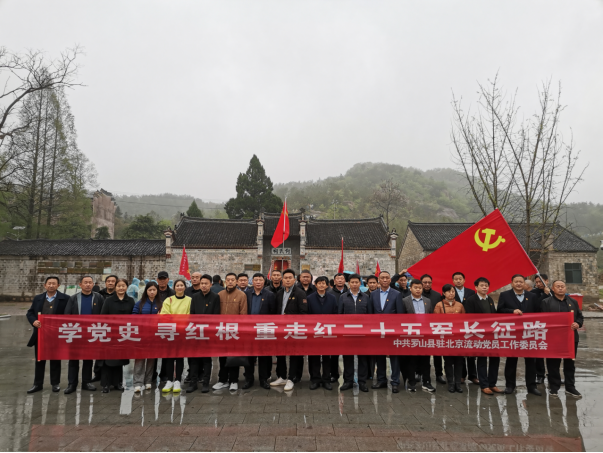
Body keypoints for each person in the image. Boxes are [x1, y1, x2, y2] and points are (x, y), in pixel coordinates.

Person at [497, 274, 540, 396]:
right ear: (512, 283)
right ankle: (510, 385)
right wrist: (511, 311)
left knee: (531, 361)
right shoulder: (504, 295)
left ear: (524, 283)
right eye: (516, 282)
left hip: (528, 332)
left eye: (521, 281)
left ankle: (531, 386)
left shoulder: (532, 296)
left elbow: (538, 312)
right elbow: (499, 311)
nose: (519, 284)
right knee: (511, 360)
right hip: (512, 333)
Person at [26, 276, 70, 394]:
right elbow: (30, 313)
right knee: (40, 360)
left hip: (56, 335)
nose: (51, 285)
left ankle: (55, 383)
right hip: (40, 334)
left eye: (54, 283)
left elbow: (69, 315)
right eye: (49, 283)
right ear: (45, 285)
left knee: (55, 360)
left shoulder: (65, 298)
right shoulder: (38, 298)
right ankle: (38, 384)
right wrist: (33, 321)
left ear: (58, 285)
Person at [541, 280, 583, 398]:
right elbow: (543, 318)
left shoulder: (573, 302)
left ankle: (570, 387)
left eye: (562, 286)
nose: (560, 288)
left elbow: (580, 316)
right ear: (553, 289)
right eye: (558, 286)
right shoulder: (546, 302)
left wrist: (577, 323)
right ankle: (554, 387)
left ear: (565, 288)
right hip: (554, 338)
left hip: (571, 338)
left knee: (570, 363)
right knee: (553, 364)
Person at [64, 276, 104, 394]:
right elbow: (67, 315)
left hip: (91, 333)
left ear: (93, 284)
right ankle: (72, 384)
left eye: (90, 282)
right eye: (85, 282)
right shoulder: (73, 298)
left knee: (88, 359)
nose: (88, 285)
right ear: (80, 284)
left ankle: (86, 382)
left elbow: (104, 315)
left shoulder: (98, 297)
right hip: (76, 333)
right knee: (73, 360)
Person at [464, 277, 502, 395]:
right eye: (482, 285)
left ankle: (492, 383)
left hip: (491, 334)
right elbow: (470, 318)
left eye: (486, 285)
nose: (484, 287)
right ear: (476, 287)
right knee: (482, 360)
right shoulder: (471, 300)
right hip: (479, 334)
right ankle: (484, 385)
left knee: (495, 358)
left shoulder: (489, 299)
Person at [271, 269, 308, 391]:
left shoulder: (300, 293)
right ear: (282, 280)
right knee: (280, 353)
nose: (287, 280)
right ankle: (282, 376)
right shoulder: (279, 293)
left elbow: (303, 312)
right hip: (280, 328)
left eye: (290, 278)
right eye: (285, 278)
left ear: (294, 279)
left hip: (294, 328)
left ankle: (291, 378)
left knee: (294, 354)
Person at [400, 279, 436, 393]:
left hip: (424, 335)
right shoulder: (405, 301)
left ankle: (426, 382)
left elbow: (430, 317)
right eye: (415, 287)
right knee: (412, 360)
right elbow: (401, 318)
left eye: (420, 288)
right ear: (410, 288)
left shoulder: (427, 301)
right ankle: (411, 383)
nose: (418, 290)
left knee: (426, 360)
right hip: (411, 334)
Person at [100, 278, 135, 393]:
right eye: (119, 286)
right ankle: (106, 384)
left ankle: (118, 383)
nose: (121, 288)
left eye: (123, 286)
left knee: (119, 360)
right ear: (115, 287)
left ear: (127, 287)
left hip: (123, 335)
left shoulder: (130, 301)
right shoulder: (109, 300)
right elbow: (103, 317)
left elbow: (134, 317)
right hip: (110, 334)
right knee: (108, 361)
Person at [213, 273, 248, 391]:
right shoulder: (220, 295)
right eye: (228, 280)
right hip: (222, 330)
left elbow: (243, 314)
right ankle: (222, 380)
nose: (230, 282)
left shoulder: (241, 295)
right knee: (222, 357)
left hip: (234, 330)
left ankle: (233, 380)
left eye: (233, 280)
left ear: (236, 281)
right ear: (225, 282)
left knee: (234, 357)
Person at [187, 274, 221, 393]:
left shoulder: (215, 297)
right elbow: (192, 314)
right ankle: (193, 382)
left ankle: (206, 382)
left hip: (208, 333)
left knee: (206, 359)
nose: (203, 286)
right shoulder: (195, 297)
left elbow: (216, 315)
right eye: (202, 283)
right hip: (196, 332)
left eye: (206, 283)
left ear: (210, 284)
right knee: (194, 359)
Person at [338, 274, 372, 392]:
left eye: (356, 282)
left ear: (360, 283)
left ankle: (362, 381)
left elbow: (370, 315)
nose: (354, 284)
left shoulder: (366, 297)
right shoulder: (343, 297)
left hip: (363, 333)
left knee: (362, 358)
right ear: (348, 283)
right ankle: (348, 381)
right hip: (347, 333)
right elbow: (339, 315)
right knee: (348, 357)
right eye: (352, 282)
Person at [370, 271, 402, 392]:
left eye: (387, 278)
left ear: (390, 280)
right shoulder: (373, 294)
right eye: (382, 278)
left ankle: (395, 381)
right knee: (380, 356)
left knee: (394, 357)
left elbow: (400, 313)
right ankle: (381, 380)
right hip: (378, 331)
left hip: (392, 331)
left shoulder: (397, 294)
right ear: (378, 279)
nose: (384, 280)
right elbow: (371, 313)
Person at [244, 273, 277, 390]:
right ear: (252, 281)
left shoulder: (270, 295)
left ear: (264, 282)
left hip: (264, 329)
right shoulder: (246, 294)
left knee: (264, 356)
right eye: (256, 280)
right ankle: (249, 379)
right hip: (249, 330)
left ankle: (263, 379)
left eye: (260, 280)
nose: (258, 282)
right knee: (249, 356)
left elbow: (273, 312)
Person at [159, 279, 192, 393]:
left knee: (179, 357)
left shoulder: (189, 300)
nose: (179, 287)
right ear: (174, 287)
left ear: (185, 287)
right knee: (169, 356)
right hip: (170, 332)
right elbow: (164, 315)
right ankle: (169, 380)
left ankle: (177, 380)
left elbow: (190, 315)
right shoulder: (168, 300)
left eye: (181, 285)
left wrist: (178, 321)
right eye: (177, 285)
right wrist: (177, 321)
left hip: (182, 332)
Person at [306, 276, 337, 391]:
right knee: (314, 357)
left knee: (327, 357)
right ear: (315, 285)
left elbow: (335, 313)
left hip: (328, 331)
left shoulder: (332, 298)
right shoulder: (309, 298)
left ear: (327, 285)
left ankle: (326, 380)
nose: (321, 285)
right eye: (319, 283)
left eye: (323, 283)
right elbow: (307, 314)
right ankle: (315, 379)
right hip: (314, 331)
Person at [434, 284, 466, 393]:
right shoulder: (439, 305)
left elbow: (464, 321)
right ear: (443, 293)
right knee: (448, 362)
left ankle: (458, 384)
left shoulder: (460, 305)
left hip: (458, 338)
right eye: (448, 291)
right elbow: (435, 321)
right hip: (446, 338)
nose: (451, 293)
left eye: (453, 291)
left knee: (459, 362)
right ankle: (451, 383)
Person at [132, 281, 162, 392]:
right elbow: (134, 317)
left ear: (157, 291)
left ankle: (148, 381)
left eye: (154, 290)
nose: (152, 292)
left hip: (154, 336)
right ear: (146, 291)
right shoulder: (139, 304)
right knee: (139, 359)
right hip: (141, 336)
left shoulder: (161, 304)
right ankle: (137, 382)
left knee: (151, 359)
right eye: (150, 290)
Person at [452, 272, 478, 386]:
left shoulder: (471, 292)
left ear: (464, 280)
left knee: (471, 351)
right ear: (453, 281)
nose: (458, 281)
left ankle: (473, 375)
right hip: (456, 325)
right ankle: (461, 375)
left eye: (460, 279)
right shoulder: (450, 291)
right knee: (460, 351)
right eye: (456, 279)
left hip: (469, 324)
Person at [421, 274, 445, 385]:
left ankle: (439, 374)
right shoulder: (418, 293)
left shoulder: (437, 295)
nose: (427, 284)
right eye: (425, 282)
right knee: (422, 352)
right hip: (421, 328)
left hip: (435, 327)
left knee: (437, 352)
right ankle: (419, 372)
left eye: (429, 282)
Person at [327, 272, 348, 383]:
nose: (340, 280)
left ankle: (348, 376)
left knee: (347, 353)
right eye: (337, 279)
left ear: (345, 281)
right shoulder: (329, 294)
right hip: (334, 327)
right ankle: (334, 374)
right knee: (334, 353)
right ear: (334, 281)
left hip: (347, 327)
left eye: (342, 278)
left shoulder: (349, 292)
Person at [531, 274, 550, 384]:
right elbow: (536, 306)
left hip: (551, 325)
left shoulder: (553, 292)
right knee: (539, 351)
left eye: (540, 281)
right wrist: (545, 295)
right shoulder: (533, 293)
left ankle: (553, 375)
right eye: (537, 282)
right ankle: (540, 375)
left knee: (552, 352)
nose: (538, 284)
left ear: (546, 281)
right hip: (539, 325)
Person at [363, 275, 379, 380]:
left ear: (377, 283)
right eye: (370, 283)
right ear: (367, 284)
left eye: (374, 283)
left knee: (378, 352)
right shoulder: (364, 296)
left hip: (379, 326)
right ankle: (368, 373)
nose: (372, 285)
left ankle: (379, 373)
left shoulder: (380, 294)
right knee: (367, 352)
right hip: (367, 327)